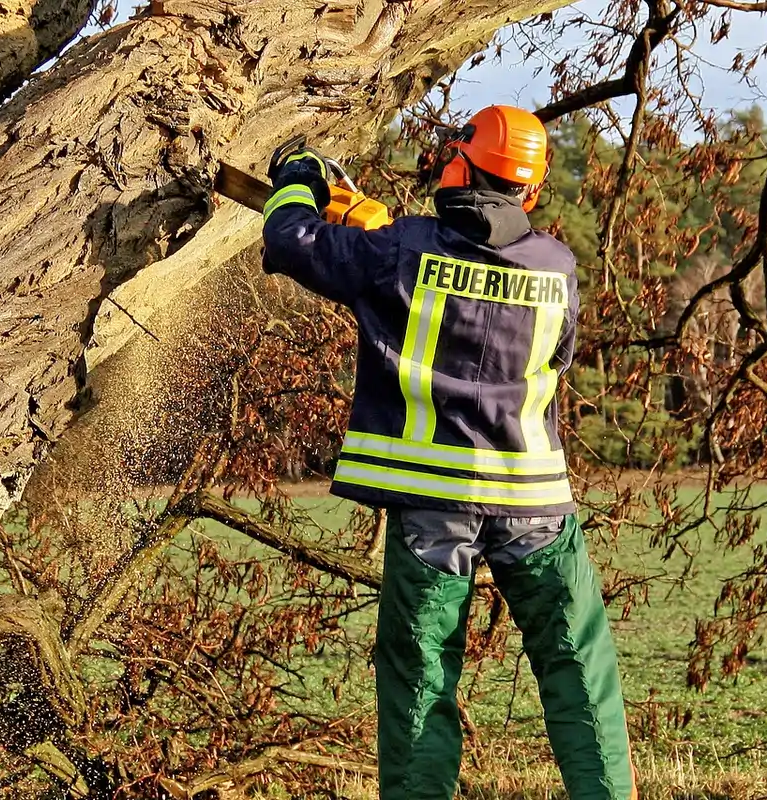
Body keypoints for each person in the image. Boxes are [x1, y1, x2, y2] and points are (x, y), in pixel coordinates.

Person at [261, 105, 636, 800]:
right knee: (578, 671)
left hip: (434, 510)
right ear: (529, 188)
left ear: (460, 163)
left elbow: (290, 239)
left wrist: (300, 177)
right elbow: (540, 342)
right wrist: (390, 235)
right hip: (536, 507)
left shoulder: (397, 253)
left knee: (422, 680)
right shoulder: (558, 268)